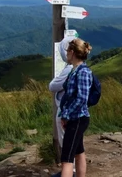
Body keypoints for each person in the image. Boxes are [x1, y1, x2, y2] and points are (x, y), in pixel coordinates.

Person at [58, 38, 93, 177]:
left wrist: (66, 115)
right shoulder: (75, 70)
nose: (66, 54)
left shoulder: (83, 72)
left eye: (67, 51)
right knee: (78, 152)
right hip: (76, 118)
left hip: (78, 118)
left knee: (66, 159)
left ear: (72, 52)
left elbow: (82, 99)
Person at [48, 36, 76, 177]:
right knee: (77, 146)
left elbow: (53, 86)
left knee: (66, 145)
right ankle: (75, 172)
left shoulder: (69, 69)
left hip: (65, 112)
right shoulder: (82, 68)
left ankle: (70, 173)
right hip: (79, 113)